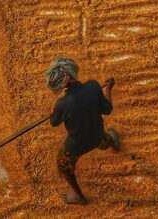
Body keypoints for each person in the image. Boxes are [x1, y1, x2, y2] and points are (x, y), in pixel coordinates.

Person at [46, 58, 120, 205]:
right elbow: (108, 109)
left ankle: (79, 196)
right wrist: (108, 89)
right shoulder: (93, 86)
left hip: (76, 146)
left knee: (64, 167)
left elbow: (54, 122)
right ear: (74, 72)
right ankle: (114, 144)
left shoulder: (62, 104)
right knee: (104, 140)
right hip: (97, 136)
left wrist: (55, 112)